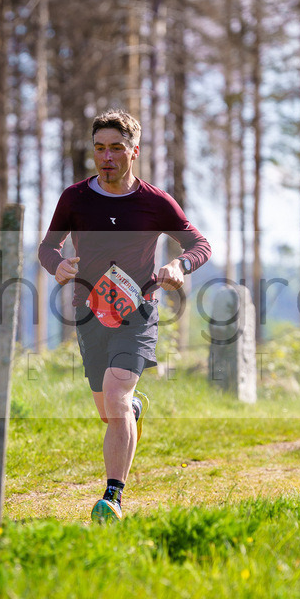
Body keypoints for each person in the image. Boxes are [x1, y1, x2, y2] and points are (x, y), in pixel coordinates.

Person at [38, 110, 211, 523]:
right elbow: (47, 247)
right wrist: (56, 265)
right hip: (89, 313)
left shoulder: (154, 202)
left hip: (140, 311)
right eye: (100, 148)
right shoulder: (75, 198)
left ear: (134, 151)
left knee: (115, 399)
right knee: (109, 410)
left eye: (116, 148)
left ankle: (112, 498)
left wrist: (178, 267)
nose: (107, 156)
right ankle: (130, 412)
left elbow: (199, 244)